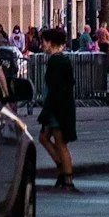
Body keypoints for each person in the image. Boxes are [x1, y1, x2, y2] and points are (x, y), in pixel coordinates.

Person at [39, 29, 78, 192]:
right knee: (44, 137)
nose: (42, 46)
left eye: (44, 42)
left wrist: (46, 110)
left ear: (50, 42)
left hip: (56, 108)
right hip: (59, 106)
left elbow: (54, 88)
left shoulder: (56, 61)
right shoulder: (62, 60)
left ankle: (66, 175)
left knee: (60, 142)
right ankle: (62, 170)